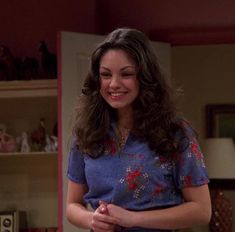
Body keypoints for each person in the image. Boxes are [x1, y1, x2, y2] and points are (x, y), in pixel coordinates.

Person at [66, 27, 211, 232]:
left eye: (126, 74)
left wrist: (133, 218)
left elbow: (202, 211)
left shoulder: (175, 133)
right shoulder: (86, 132)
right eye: (105, 75)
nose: (114, 84)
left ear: (144, 77)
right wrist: (91, 220)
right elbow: (72, 206)